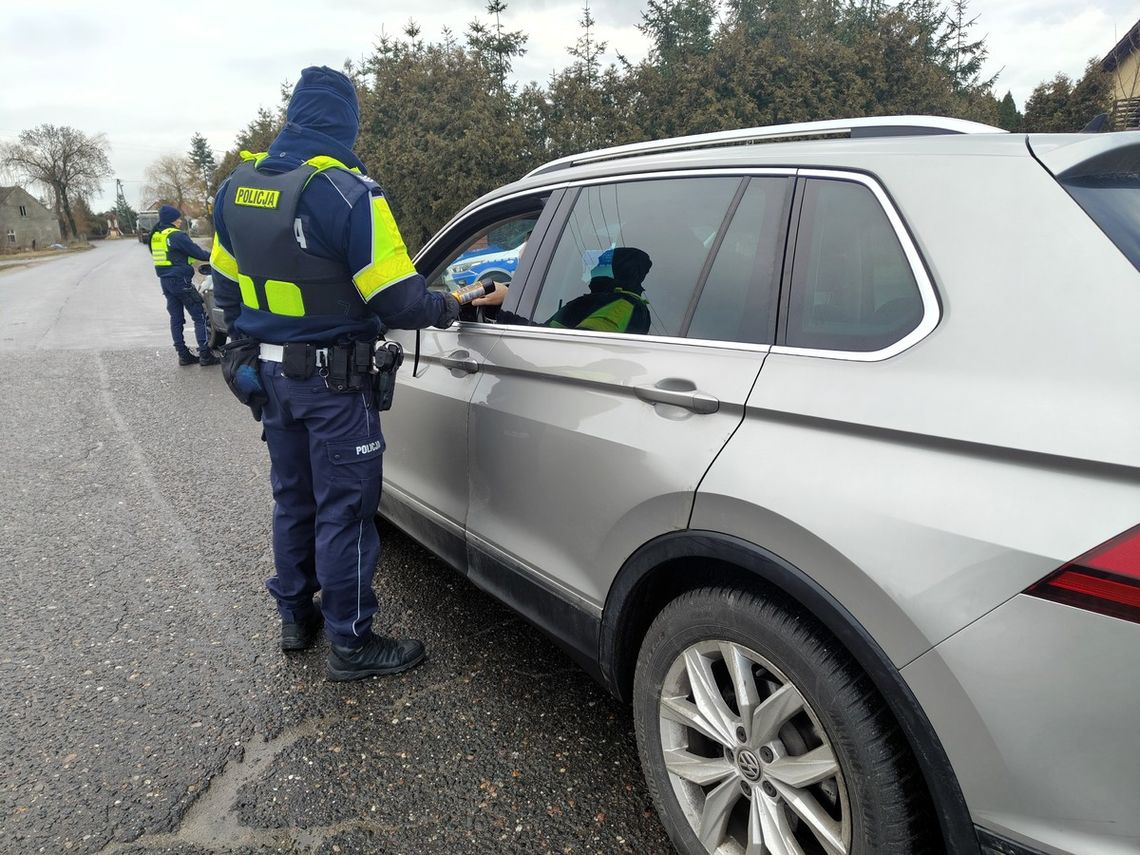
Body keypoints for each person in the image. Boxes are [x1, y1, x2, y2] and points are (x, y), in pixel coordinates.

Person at [209, 66, 460, 681]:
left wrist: (248, 347)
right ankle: (352, 642)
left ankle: (297, 618)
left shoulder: (235, 190)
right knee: (345, 509)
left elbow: (225, 291)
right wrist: (452, 305)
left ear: (293, 115)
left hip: (270, 382)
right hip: (333, 385)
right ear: (347, 123)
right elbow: (398, 301)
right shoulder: (349, 193)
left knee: (293, 501)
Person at [472, 246, 652, 334]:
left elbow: (549, 343)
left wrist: (508, 303)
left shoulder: (611, 305)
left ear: (617, 271)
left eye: (601, 263)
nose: (592, 268)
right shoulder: (634, 306)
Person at [150, 205, 218, 366]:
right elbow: (198, 253)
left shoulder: (156, 236)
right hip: (181, 280)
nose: (180, 221)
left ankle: (183, 355)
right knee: (200, 315)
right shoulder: (176, 236)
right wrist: (215, 257)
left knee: (176, 318)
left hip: (166, 282)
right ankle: (205, 354)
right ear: (172, 220)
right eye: (178, 218)